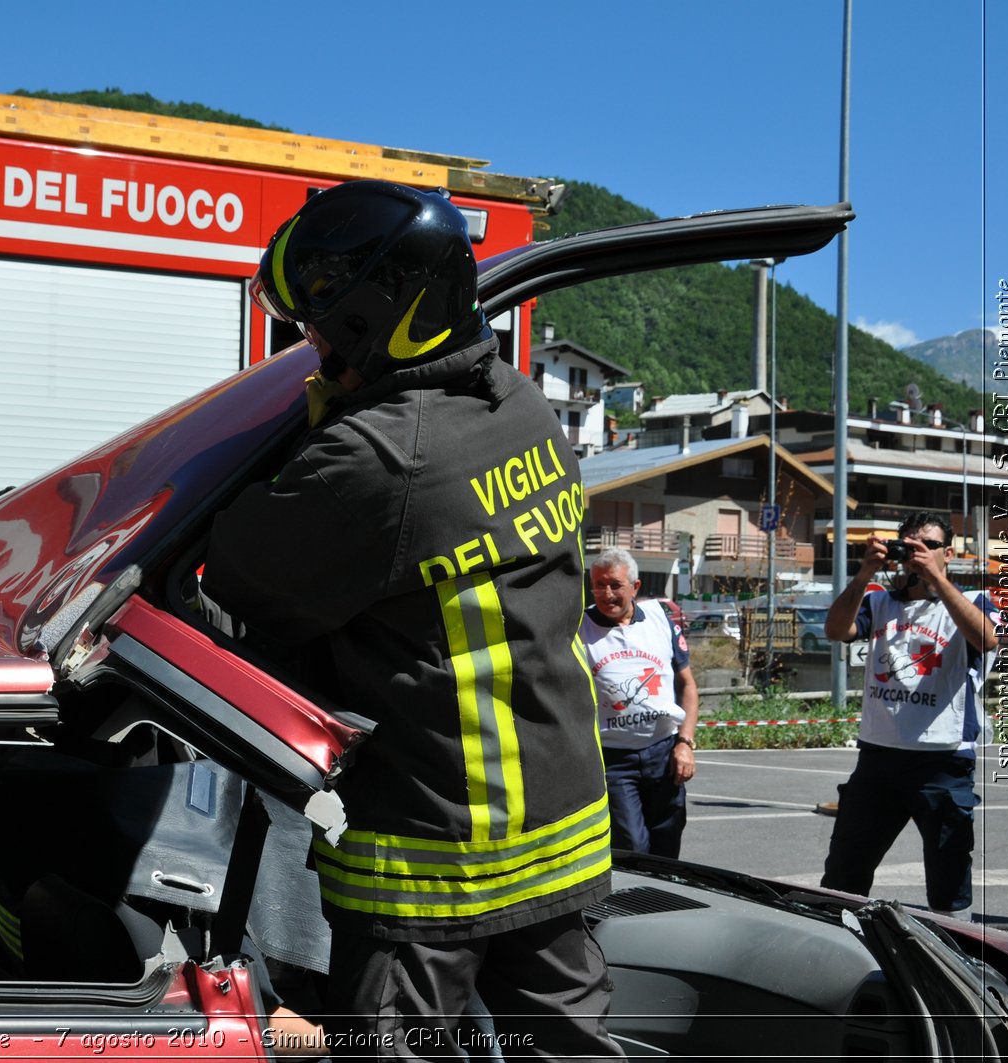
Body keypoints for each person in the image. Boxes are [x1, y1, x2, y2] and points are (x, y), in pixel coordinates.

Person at [204, 180, 621, 1059]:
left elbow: (232, 573)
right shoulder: (522, 405)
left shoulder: (375, 456)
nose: (309, 349)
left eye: (318, 326)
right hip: (561, 838)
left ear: (374, 316)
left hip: (432, 867)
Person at [820, 511, 999, 916]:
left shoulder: (973, 602)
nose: (917, 554)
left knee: (948, 881)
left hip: (943, 761)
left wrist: (936, 580)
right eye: (909, 545)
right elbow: (835, 631)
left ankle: (956, 963)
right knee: (843, 875)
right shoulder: (879, 602)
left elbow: (986, 639)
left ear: (949, 553)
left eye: (929, 546)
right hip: (878, 758)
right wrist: (864, 573)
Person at [581, 548, 699, 857]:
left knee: (667, 841)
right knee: (630, 845)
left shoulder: (660, 619)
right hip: (614, 760)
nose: (606, 593)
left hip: (664, 753)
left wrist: (685, 742)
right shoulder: (580, 629)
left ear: (635, 587)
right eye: (598, 585)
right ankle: (636, 904)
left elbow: (687, 685)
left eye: (615, 585)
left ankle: (663, 904)